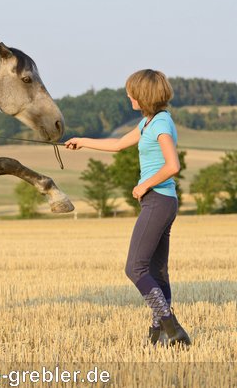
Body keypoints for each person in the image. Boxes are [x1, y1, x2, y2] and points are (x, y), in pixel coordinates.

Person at [65, 69, 191, 347]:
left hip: (157, 199)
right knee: (157, 272)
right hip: (163, 201)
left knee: (135, 268)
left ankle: (171, 326)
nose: (128, 96)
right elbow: (119, 144)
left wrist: (144, 185)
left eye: (131, 92)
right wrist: (82, 141)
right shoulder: (150, 122)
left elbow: (173, 165)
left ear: (143, 95)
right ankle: (161, 332)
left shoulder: (158, 125)